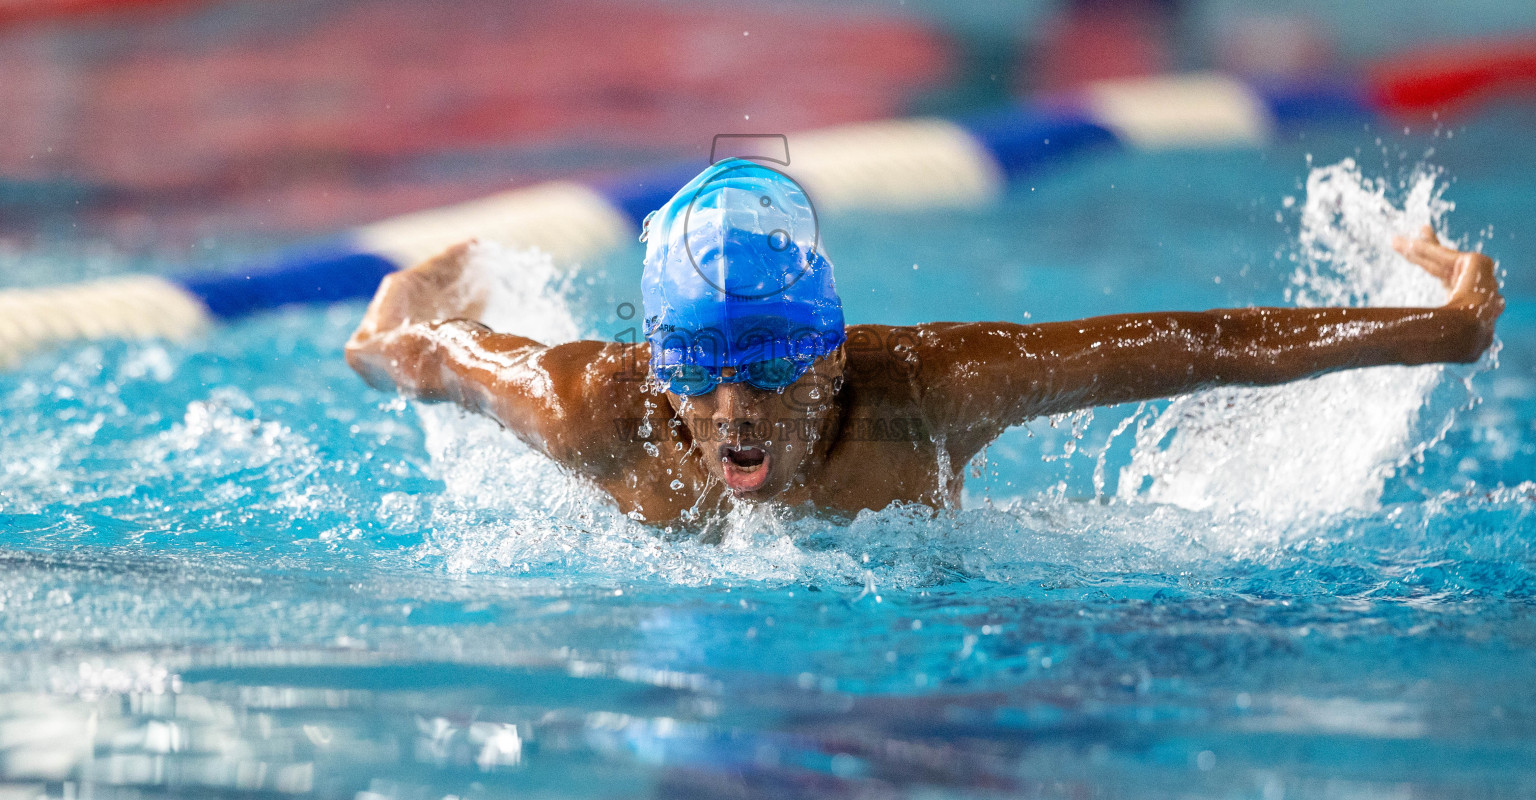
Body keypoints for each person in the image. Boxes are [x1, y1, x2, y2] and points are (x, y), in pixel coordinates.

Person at [346, 158, 1503, 524]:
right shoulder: (599, 407)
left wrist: (1433, 331)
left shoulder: (926, 392)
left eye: (770, 371)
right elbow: (436, 353)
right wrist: (391, 317)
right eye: (699, 370)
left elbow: (1187, 344)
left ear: (833, 357)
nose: (735, 410)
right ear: (660, 365)